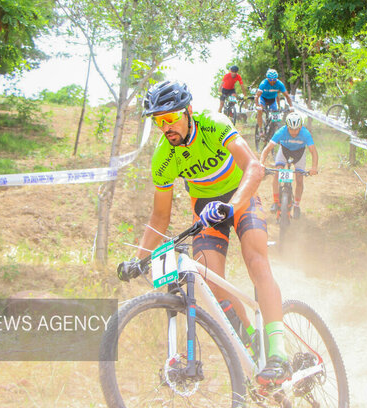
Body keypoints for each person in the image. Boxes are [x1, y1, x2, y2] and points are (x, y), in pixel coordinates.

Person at [118, 80, 292, 385]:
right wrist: (139, 258)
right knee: (210, 281)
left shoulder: (213, 124)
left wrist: (233, 205)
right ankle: (251, 338)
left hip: (243, 196)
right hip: (207, 209)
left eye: (171, 118)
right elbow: (160, 216)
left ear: (188, 111)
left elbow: (254, 167)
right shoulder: (163, 157)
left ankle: (279, 353)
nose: (166, 127)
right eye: (159, 121)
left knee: (255, 260)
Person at [259, 112, 318, 218]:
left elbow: (313, 151)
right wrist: (261, 164)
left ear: (301, 127)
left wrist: (314, 167)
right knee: (277, 173)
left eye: (297, 129)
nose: (294, 132)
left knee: (299, 179)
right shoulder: (281, 132)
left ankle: (296, 205)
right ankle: (276, 201)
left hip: (299, 153)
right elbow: (267, 149)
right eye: (291, 129)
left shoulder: (305, 133)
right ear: (287, 126)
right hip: (284, 151)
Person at [254, 69, 294, 134]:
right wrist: (257, 106)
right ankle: (261, 129)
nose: (272, 82)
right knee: (260, 111)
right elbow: (256, 96)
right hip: (263, 98)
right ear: (267, 78)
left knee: (276, 114)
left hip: (272, 100)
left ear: (277, 79)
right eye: (270, 80)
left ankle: (274, 130)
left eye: (274, 80)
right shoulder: (263, 83)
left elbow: (287, 96)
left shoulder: (280, 84)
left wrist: (291, 106)